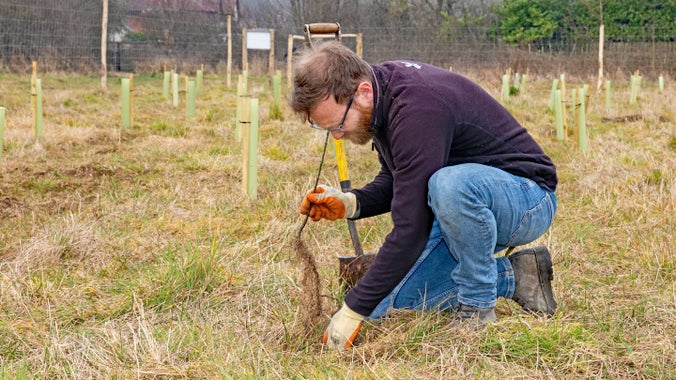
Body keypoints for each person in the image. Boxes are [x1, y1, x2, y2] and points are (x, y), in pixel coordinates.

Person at [291, 41, 558, 351]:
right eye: (328, 129)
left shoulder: (417, 107)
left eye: (337, 124)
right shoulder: (380, 97)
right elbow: (400, 177)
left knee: (449, 184)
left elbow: (411, 230)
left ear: (362, 91)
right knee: (390, 305)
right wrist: (352, 202)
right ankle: (516, 275)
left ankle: (477, 307)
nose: (337, 135)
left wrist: (352, 309)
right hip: (462, 212)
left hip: (526, 198)